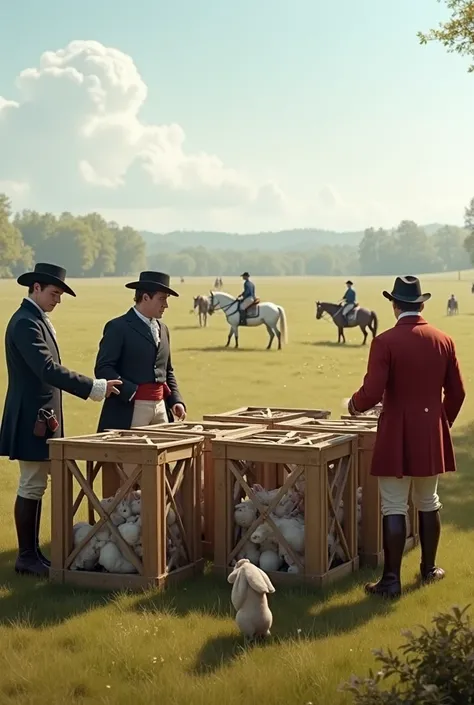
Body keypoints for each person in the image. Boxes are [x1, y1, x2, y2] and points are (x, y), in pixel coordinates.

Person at [0, 263, 121, 578]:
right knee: (32, 483)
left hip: (40, 416)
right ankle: (27, 557)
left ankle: (33, 554)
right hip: (31, 416)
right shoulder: (26, 322)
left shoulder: (34, 319)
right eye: (55, 293)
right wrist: (94, 387)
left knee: (36, 484)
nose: (58, 300)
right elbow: (47, 370)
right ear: (36, 288)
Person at [347, 275, 465, 599]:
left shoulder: (385, 341)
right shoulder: (444, 339)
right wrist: (442, 423)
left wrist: (353, 404)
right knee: (429, 501)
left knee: (394, 506)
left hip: (396, 433)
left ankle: (391, 581)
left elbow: (371, 393)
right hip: (431, 432)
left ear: (395, 305)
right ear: (421, 305)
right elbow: (458, 393)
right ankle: (429, 570)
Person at [94, 271, 186, 432]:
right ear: (145, 297)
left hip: (161, 408)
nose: (166, 305)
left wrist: (175, 400)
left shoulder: (163, 329)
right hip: (130, 409)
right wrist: (131, 392)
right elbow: (103, 368)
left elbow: (167, 370)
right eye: (162, 299)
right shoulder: (118, 327)